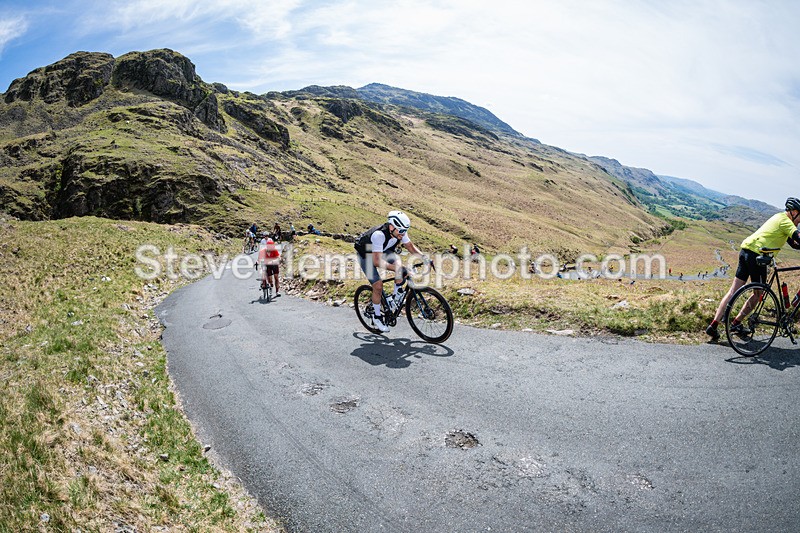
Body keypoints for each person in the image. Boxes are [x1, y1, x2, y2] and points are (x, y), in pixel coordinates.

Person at [705, 197, 800, 341]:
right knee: (758, 294)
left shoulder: (778, 217)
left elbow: (794, 244)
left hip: (746, 251)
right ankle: (736, 323)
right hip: (757, 256)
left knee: (733, 291)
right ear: (793, 212)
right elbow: (797, 237)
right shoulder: (786, 221)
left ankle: (713, 325)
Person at [354, 210, 428, 332]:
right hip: (366, 255)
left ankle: (395, 297)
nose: (403, 234)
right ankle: (377, 316)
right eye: (401, 231)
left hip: (383, 250)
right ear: (392, 226)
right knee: (378, 285)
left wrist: (425, 258)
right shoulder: (379, 235)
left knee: (398, 263)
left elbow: (410, 246)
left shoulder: (400, 232)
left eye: (405, 231)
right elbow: (377, 262)